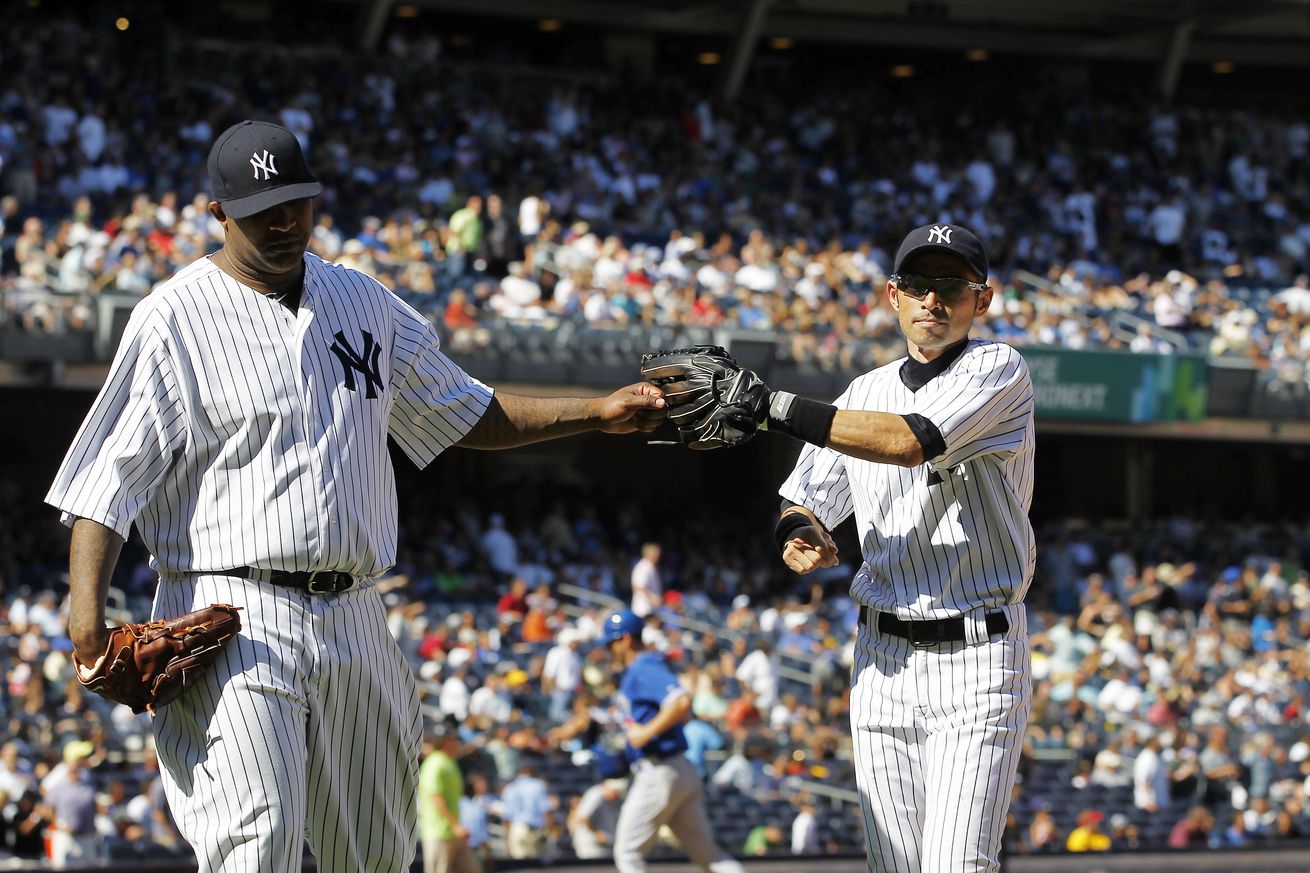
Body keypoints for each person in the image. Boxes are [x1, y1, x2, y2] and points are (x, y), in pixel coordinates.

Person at [44, 119, 666, 873]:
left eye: (296, 202)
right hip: (231, 612)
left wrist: (594, 413)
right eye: (262, 208)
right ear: (217, 214)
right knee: (258, 843)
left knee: (375, 853)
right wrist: (86, 629)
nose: (283, 221)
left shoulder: (365, 301)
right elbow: (104, 480)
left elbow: (467, 409)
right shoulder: (172, 318)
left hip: (358, 612)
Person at [770, 224, 1035, 873]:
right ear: (893, 295)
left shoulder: (999, 369)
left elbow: (910, 439)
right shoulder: (864, 390)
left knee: (955, 865)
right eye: (918, 284)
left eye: (951, 285)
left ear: (983, 299)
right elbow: (806, 494)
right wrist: (797, 528)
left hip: (978, 655)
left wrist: (769, 404)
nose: (932, 300)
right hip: (881, 659)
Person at [603, 610, 746, 873]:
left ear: (624, 640)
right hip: (678, 770)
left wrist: (646, 733)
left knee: (627, 851)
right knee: (710, 857)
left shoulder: (642, 665)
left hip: (660, 770)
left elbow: (681, 701)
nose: (608, 649)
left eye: (610, 642)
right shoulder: (641, 667)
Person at [418, 726, 477, 873]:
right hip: (438, 832)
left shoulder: (449, 762)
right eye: (454, 740)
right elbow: (435, 796)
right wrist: (456, 825)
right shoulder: (435, 763)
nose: (457, 743)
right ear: (444, 742)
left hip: (451, 831)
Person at [500, 758, 552, 860]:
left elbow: (506, 815)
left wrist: (506, 836)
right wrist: (549, 828)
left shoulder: (510, 787)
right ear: (530, 771)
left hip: (517, 828)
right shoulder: (538, 785)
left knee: (521, 867)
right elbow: (545, 810)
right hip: (536, 829)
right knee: (537, 866)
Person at [569, 776, 627, 859]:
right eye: (614, 791)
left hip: (609, 845)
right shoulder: (595, 794)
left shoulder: (618, 798)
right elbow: (582, 818)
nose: (616, 794)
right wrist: (596, 834)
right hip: (592, 846)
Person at [630, 543, 662, 618]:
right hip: (643, 610)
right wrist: (653, 599)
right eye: (656, 553)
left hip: (651, 610)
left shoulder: (651, 567)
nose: (658, 556)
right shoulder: (643, 567)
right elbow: (638, 587)